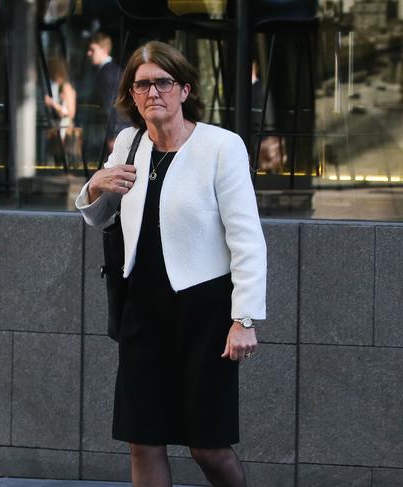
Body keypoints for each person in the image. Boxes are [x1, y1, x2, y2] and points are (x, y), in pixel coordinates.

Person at [75, 41, 266, 487]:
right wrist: (95, 186)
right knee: (143, 439)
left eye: (163, 82)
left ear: (184, 89)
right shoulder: (128, 143)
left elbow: (247, 239)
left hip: (206, 313)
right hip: (141, 311)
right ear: (131, 94)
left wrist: (244, 318)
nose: (152, 93)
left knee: (208, 446)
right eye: (141, 84)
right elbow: (102, 219)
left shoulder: (221, 146)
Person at [87, 32, 127, 156]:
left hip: (115, 131)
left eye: (93, 50)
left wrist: (113, 135)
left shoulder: (107, 72)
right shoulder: (111, 70)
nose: (89, 53)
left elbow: (113, 105)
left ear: (104, 50)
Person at [44, 56, 80, 166]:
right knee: (59, 158)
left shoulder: (66, 87)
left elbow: (70, 112)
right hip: (59, 127)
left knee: (64, 158)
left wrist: (53, 104)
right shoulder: (59, 86)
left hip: (65, 127)